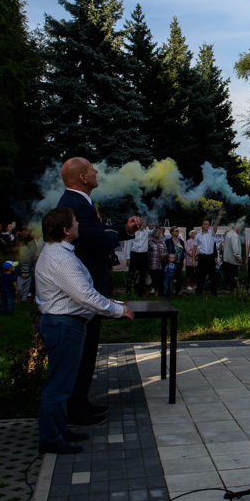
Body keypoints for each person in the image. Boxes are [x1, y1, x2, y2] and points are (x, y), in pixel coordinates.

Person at [35, 207, 134, 455]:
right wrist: (116, 310)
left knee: (63, 383)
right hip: (64, 325)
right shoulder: (62, 260)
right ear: (67, 230)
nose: (79, 224)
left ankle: (59, 429)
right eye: (75, 221)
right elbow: (85, 296)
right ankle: (50, 438)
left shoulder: (60, 253)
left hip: (65, 323)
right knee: (58, 385)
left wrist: (113, 305)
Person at [57, 157, 142, 427]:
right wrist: (114, 236)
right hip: (85, 290)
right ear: (82, 177)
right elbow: (95, 239)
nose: (96, 172)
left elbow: (98, 230)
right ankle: (74, 409)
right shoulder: (76, 205)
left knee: (88, 349)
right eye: (92, 169)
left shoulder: (82, 203)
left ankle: (80, 402)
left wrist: (123, 230)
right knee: (82, 352)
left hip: (89, 288)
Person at [194, 208, 223, 296]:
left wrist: (219, 216)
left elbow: (216, 225)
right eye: (205, 224)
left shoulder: (211, 233)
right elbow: (194, 248)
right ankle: (199, 292)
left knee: (212, 275)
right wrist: (192, 260)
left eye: (208, 224)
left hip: (210, 257)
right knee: (200, 275)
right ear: (201, 226)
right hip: (202, 257)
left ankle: (214, 292)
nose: (207, 226)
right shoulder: (198, 236)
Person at [222, 222, 243, 290]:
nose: (240, 229)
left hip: (228, 258)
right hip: (233, 259)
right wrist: (238, 257)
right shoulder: (234, 235)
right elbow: (235, 247)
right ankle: (232, 287)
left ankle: (226, 285)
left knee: (229, 273)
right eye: (239, 227)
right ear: (236, 227)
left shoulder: (229, 234)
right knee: (233, 274)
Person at [165, 227, 186, 294]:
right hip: (171, 262)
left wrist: (183, 259)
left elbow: (183, 251)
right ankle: (168, 291)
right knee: (170, 276)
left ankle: (178, 291)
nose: (178, 232)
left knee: (178, 277)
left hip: (179, 261)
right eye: (176, 231)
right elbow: (166, 251)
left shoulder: (181, 242)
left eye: (178, 231)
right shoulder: (168, 242)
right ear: (172, 232)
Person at [147, 227, 166, 296]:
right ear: (153, 233)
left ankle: (157, 292)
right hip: (152, 263)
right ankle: (148, 291)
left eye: (159, 231)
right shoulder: (149, 241)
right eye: (157, 231)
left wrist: (165, 254)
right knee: (151, 278)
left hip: (160, 264)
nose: (158, 232)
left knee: (159, 278)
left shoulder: (162, 241)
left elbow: (166, 250)